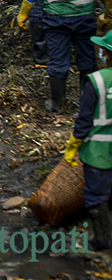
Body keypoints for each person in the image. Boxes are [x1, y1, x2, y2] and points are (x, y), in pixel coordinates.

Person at [63, 30, 112, 251]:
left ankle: (102, 241)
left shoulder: (98, 81)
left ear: (107, 54)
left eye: (102, 49)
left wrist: (73, 147)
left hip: (100, 150)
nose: (99, 52)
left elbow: (84, 120)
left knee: (96, 195)